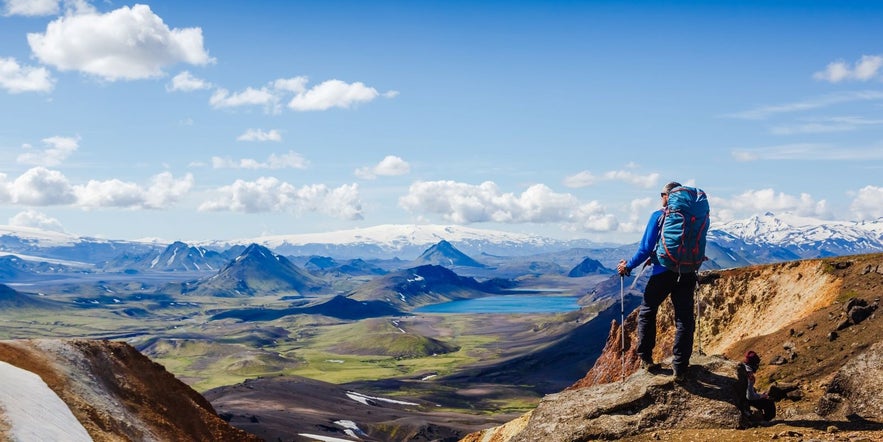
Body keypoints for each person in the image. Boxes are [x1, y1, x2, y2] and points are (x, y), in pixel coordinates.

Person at [616, 181, 697, 381]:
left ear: (668, 196)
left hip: (663, 272)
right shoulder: (694, 218)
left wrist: (628, 266)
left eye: (662, 194)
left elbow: (645, 249)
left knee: (648, 311)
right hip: (687, 271)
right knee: (684, 319)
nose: (660, 197)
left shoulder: (660, 216)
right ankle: (680, 366)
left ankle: (646, 358)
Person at [735, 350, 776, 421]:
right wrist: (762, 396)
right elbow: (750, 396)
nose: (758, 367)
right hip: (745, 399)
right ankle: (765, 421)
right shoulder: (749, 374)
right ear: (754, 364)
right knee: (769, 402)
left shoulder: (742, 367)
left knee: (755, 391)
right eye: (757, 364)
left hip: (737, 396)